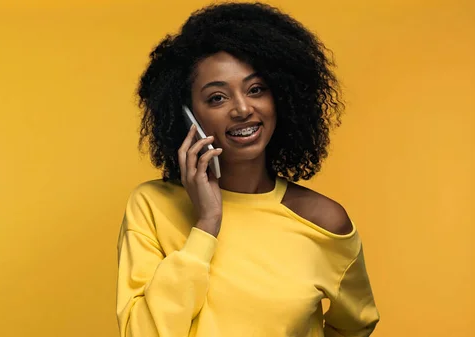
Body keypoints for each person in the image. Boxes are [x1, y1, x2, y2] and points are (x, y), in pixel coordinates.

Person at [116, 2, 380, 336]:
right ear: (186, 114)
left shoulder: (325, 222)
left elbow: (356, 325)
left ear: (282, 96)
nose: (242, 109)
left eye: (256, 90)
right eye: (217, 98)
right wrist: (207, 225)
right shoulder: (151, 208)